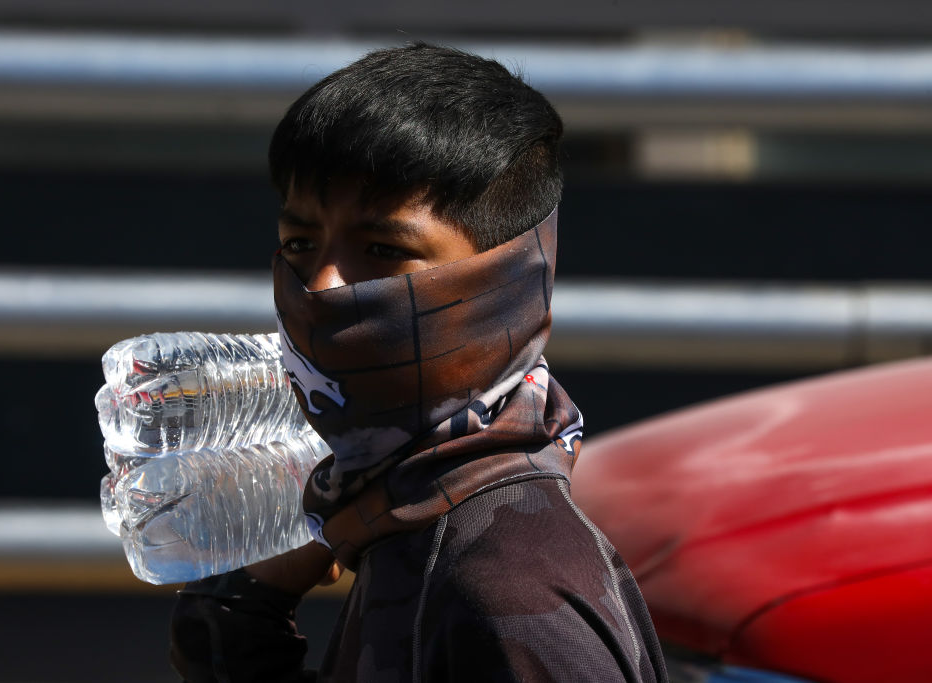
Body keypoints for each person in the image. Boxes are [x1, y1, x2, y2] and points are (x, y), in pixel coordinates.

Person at [169, 43, 668, 683]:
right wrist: (242, 602)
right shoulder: (406, 514)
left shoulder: (509, 586)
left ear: (504, 281)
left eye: (383, 249)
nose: (321, 286)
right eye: (299, 243)